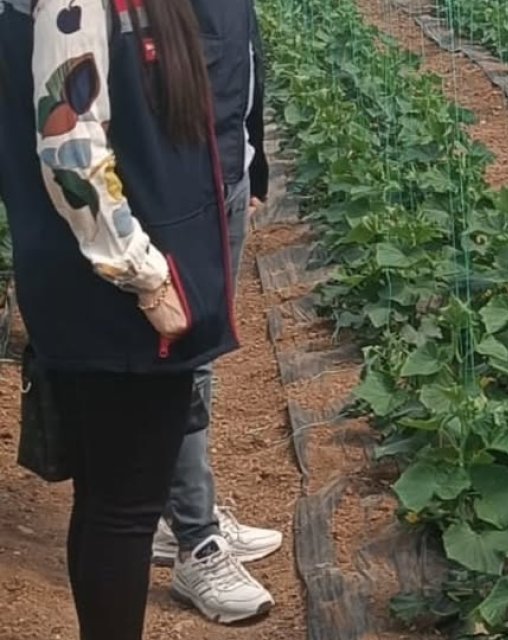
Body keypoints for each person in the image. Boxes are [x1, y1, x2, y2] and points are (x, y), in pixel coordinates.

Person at [0, 0, 240, 637]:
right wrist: (148, 274)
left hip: (112, 290)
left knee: (109, 502)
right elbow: (68, 147)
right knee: (123, 512)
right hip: (118, 298)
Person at [148, 0, 281, 624]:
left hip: (224, 173)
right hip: (183, 190)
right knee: (185, 359)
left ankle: (179, 515)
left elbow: (243, 61)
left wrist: (251, 171)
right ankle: (196, 540)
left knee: (201, 356)